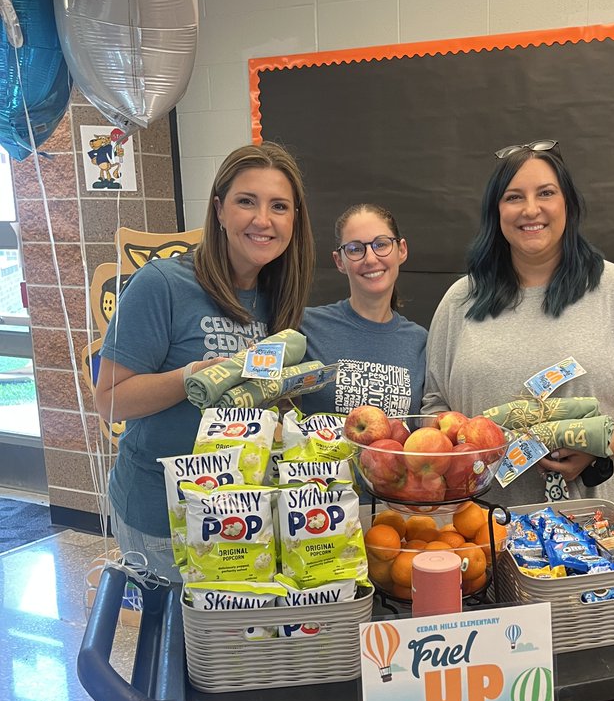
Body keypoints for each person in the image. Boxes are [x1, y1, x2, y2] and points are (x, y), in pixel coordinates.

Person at [94, 141, 315, 582]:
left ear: (294, 220)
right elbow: (110, 401)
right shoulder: (162, 285)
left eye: (279, 206)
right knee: (179, 649)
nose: (262, 220)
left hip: (242, 514)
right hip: (163, 520)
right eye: (245, 202)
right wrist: (197, 375)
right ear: (218, 210)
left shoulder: (278, 298)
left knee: (227, 651)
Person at [423, 140, 614, 514]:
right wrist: (468, 445)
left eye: (545, 193)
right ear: (496, 211)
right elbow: (436, 405)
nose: (530, 209)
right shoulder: (461, 300)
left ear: (568, 205)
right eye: (513, 197)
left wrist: (595, 444)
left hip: (605, 534)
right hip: (486, 529)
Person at [300, 204, 427, 416]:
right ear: (339, 261)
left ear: (401, 250)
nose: (370, 258)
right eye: (355, 249)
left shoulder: (421, 342)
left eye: (381, 244)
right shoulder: (306, 327)